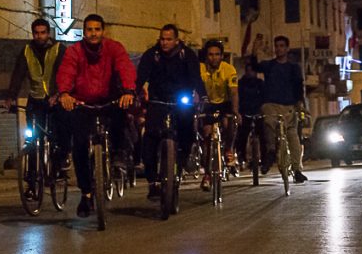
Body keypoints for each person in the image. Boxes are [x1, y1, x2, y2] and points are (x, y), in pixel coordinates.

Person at [56, 14, 136, 217]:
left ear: (103, 31)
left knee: (120, 115)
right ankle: (86, 194)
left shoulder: (114, 48)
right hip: (82, 103)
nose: (93, 33)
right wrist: (65, 93)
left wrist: (128, 90)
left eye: (97, 29)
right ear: (84, 32)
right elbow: (66, 71)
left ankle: (118, 154)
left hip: (108, 100)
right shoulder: (74, 51)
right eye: (89, 30)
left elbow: (125, 67)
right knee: (80, 145)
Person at [136, 24, 206, 199]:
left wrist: (202, 96)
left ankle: (180, 164)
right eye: (162, 39)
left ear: (176, 40)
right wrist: (134, 92)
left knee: (187, 133)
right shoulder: (152, 55)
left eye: (169, 39)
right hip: (157, 101)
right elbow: (140, 77)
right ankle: (152, 181)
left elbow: (196, 78)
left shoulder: (187, 55)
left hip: (181, 101)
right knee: (150, 138)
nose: (165, 43)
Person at [5, 18, 70, 194]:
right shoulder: (27, 50)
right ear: (32, 34)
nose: (39, 36)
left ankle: (61, 162)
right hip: (35, 100)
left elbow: (64, 73)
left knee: (60, 132)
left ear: (48, 33)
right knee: (33, 139)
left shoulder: (59, 49)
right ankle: (31, 182)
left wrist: (57, 94)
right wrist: (11, 96)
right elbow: (18, 74)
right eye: (36, 33)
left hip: (55, 99)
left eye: (43, 32)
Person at [250, 34, 308, 182]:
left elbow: (299, 86)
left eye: (282, 46)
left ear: (287, 48)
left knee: (293, 138)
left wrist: (299, 103)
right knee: (269, 123)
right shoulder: (269, 65)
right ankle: (270, 152)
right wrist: (255, 48)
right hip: (271, 104)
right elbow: (255, 65)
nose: (279, 49)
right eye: (277, 46)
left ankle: (297, 170)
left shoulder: (293, 68)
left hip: (289, 105)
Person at [198, 39, 240, 191]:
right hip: (207, 104)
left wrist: (235, 112)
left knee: (229, 123)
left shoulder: (229, 69)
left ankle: (229, 149)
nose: (213, 58)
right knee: (207, 135)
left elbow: (234, 92)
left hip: (225, 103)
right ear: (206, 56)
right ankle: (207, 174)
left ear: (222, 56)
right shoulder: (200, 69)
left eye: (217, 54)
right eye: (210, 54)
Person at [235, 60, 266, 166]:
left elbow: (264, 97)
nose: (250, 73)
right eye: (248, 70)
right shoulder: (241, 83)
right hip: (245, 112)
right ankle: (241, 157)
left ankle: (264, 158)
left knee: (262, 135)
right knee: (242, 136)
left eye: (252, 70)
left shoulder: (260, 83)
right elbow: (238, 97)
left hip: (258, 112)